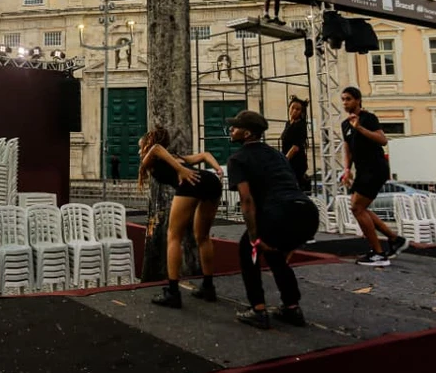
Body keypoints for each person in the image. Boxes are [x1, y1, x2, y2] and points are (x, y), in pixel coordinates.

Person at [225, 110, 319, 329]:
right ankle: (292, 307)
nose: (231, 129)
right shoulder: (277, 154)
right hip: (307, 213)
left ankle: (258, 310)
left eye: (235, 126)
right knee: (275, 254)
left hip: (280, 213)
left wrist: (253, 235)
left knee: (249, 250)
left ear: (247, 133)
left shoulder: (237, 159)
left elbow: (247, 201)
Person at [136, 126, 224, 308]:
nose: (139, 150)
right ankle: (208, 287)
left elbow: (157, 149)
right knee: (203, 236)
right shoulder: (178, 157)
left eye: (140, 146)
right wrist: (217, 170)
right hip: (210, 181)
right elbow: (205, 155)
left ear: (147, 145)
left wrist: (180, 171)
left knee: (173, 236)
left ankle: (173, 292)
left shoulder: (150, 158)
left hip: (190, 184)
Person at [340, 88, 407, 266]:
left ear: (358, 100)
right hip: (363, 170)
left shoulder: (368, 118)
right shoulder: (345, 124)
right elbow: (348, 147)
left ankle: (378, 254)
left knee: (357, 208)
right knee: (360, 208)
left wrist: (360, 128)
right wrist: (347, 169)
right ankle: (394, 239)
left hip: (375, 168)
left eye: (348, 99)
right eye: (343, 99)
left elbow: (382, 140)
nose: (345, 102)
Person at [280, 98, 310, 193]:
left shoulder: (301, 125)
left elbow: (296, 147)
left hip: (296, 160)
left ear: (301, 112)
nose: (294, 111)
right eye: (293, 108)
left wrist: (285, 159)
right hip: (287, 157)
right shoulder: (288, 123)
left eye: (298, 109)